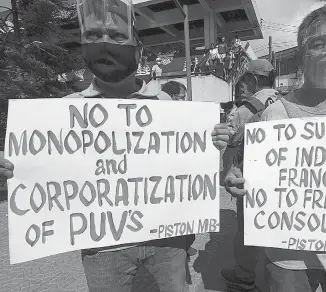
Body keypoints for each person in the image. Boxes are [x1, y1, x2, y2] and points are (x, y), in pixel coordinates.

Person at [0, 0, 230, 291]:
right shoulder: (63, 113)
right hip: (103, 249)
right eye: (94, 36)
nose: (105, 44)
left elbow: (182, 162)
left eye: (117, 36)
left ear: (138, 47)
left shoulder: (166, 104)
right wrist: (15, 167)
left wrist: (211, 141)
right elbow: (47, 173)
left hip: (167, 241)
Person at [224, 3, 326, 292]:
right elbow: (245, 171)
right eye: (318, 43)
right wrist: (235, 177)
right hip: (288, 260)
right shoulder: (273, 115)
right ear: (300, 56)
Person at [221, 59, 280, 292]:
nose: (242, 85)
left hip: (249, 177)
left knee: (246, 231)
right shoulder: (285, 101)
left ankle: (243, 277)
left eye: (244, 80)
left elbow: (230, 140)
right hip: (278, 178)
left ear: (254, 80)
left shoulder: (244, 110)